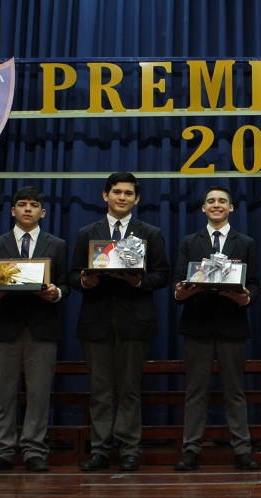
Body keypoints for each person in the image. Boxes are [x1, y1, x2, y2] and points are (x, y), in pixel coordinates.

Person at [70, 172, 170, 471]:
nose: (122, 197)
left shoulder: (150, 233)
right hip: (96, 320)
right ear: (105, 196)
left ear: (137, 199)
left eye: (128, 193)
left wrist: (137, 281)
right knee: (99, 391)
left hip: (135, 321)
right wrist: (86, 281)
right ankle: (99, 450)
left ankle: (129, 449)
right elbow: (73, 275)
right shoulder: (87, 232)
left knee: (129, 390)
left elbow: (163, 274)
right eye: (116, 192)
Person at [0, 186, 70, 473]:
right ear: (12, 210)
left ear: (42, 212)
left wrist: (55, 293)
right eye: (22, 204)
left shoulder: (57, 245)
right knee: (3, 394)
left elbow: (66, 284)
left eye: (33, 205)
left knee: (39, 394)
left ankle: (33, 450)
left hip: (43, 327)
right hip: (6, 327)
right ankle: (2, 451)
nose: (27, 209)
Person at [171, 186, 260, 471]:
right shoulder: (189, 241)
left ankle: (242, 451)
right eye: (211, 201)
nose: (217, 205)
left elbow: (255, 284)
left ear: (231, 208)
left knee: (235, 391)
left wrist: (245, 297)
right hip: (196, 324)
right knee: (195, 391)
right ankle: (190, 451)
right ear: (203, 208)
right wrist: (181, 293)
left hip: (232, 324)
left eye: (222, 201)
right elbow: (177, 283)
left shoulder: (245, 242)